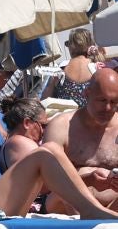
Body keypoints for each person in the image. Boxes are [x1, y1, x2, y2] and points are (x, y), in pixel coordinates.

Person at [43, 69, 118, 207]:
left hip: (113, 208)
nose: (108, 108)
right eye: (102, 100)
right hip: (68, 207)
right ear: (87, 94)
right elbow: (46, 182)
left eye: (113, 102)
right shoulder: (61, 127)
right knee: (61, 196)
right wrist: (87, 180)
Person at [48, 28, 104, 107]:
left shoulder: (60, 68)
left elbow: (47, 98)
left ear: (72, 46)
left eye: (68, 44)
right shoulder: (98, 68)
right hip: (91, 114)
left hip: (66, 114)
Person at [0, 97, 47, 171]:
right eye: (43, 126)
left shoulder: (12, 142)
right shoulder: (19, 142)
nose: (45, 131)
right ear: (27, 123)